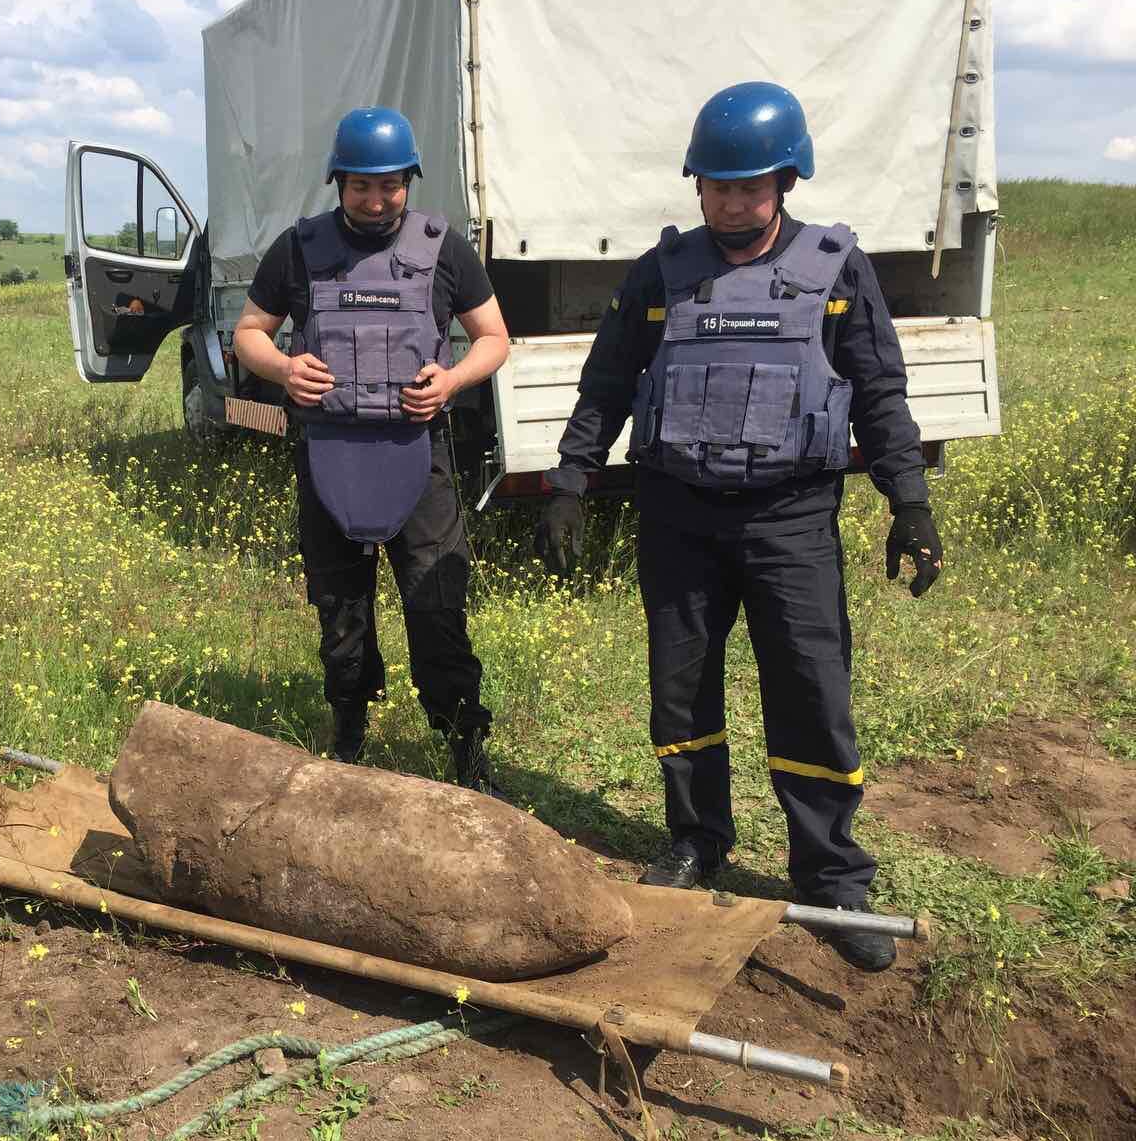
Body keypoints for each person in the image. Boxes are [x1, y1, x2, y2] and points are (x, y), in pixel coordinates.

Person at [535, 82, 943, 971]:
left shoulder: (837, 270)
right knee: (682, 692)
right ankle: (696, 839)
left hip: (790, 518)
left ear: (786, 181)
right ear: (696, 186)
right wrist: (571, 480)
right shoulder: (662, 273)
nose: (733, 202)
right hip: (678, 515)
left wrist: (908, 503)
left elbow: (879, 393)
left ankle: (832, 875)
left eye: (751, 186)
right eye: (718, 186)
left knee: (810, 689)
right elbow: (606, 384)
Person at [233, 106, 511, 794]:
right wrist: (283, 368)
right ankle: (349, 732)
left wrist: (449, 380)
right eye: (361, 185)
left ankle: (464, 746)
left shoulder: (444, 248)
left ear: (409, 181)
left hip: (420, 458)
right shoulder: (298, 248)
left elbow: (495, 338)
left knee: (437, 605)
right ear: (338, 183)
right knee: (341, 607)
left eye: (390, 185)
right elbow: (249, 331)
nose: (377, 199)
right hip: (332, 458)